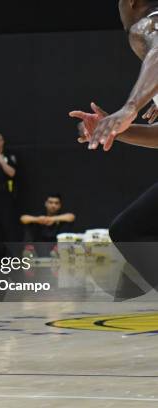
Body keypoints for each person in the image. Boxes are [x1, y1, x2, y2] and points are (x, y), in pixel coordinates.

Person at [69, 0, 158, 292]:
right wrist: (117, 130)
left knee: (130, 230)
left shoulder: (146, 25)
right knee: (129, 229)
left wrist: (130, 108)